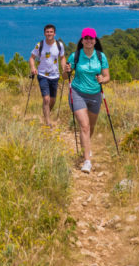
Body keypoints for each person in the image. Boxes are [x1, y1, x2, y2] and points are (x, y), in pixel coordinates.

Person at [64, 27, 110, 173]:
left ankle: (86, 147)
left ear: (95, 40)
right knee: (84, 126)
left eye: (91, 38)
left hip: (95, 95)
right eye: (86, 38)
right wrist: (66, 71)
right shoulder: (75, 56)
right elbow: (66, 77)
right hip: (77, 93)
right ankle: (87, 161)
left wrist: (103, 79)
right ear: (82, 40)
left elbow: (107, 77)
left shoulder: (101, 57)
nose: (89, 40)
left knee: (91, 127)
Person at [29, 24, 67, 126]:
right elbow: (32, 58)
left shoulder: (59, 45)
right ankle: (48, 122)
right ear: (44, 33)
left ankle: (46, 114)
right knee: (46, 99)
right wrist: (33, 68)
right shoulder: (40, 45)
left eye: (51, 32)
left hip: (55, 75)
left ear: (54, 33)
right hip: (42, 75)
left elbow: (62, 57)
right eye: (47, 32)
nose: (49, 34)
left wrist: (64, 69)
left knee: (53, 100)